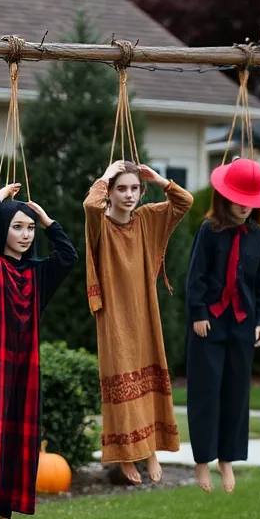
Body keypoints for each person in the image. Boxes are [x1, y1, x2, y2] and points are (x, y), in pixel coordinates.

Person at [0, 182, 76, 519]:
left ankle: (6, 517)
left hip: (25, 369)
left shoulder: (38, 275)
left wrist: (45, 220)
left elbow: (68, 256)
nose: (26, 235)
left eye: (29, 229)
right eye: (17, 227)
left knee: (19, 441)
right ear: (4, 231)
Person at [83, 161, 192, 484]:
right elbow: (90, 203)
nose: (129, 195)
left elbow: (184, 202)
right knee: (120, 379)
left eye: (134, 189)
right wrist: (104, 175)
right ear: (111, 193)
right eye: (122, 189)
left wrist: (158, 180)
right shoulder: (99, 224)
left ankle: (150, 451)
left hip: (144, 311)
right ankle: (126, 456)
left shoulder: (147, 218)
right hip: (114, 316)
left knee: (148, 377)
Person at [185, 158, 260, 492]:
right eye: (239, 200)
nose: (244, 208)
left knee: (236, 394)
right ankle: (202, 461)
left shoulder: (259, 238)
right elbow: (196, 277)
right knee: (206, 393)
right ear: (224, 198)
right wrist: (198, 314)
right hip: (209, 323)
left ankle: (227, 459)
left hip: (242, 325)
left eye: (250, 203)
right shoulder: (209, 232)